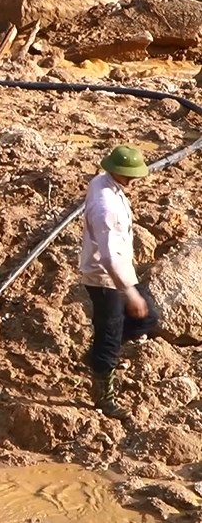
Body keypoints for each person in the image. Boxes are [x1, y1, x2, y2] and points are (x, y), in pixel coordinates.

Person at [79, 145, 160, 420]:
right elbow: (110, 258)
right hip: (105, 279)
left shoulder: (102, 182)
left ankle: (96, 357)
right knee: (110, 336)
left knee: (147, 318)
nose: (136, 181)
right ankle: (104, 396)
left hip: (120, 273)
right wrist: (131, 294)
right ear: (120, 174)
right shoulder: (107, 207)